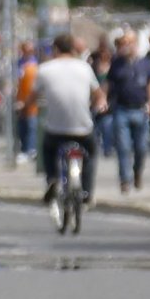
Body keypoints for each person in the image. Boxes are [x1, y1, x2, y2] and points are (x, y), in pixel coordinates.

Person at [36, 33, 106, 203]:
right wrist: (99, 104)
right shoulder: (84, 68)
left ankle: (52, 179)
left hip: (56, 130)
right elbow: (99, 94)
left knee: (47, 148)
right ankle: (87, 192)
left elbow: (32, 96)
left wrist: (24, 107)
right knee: (92, 152)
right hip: (82, 128)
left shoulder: (45, 69)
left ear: (55, 49)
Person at [106, 31, 150, 192]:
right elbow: (108, 83)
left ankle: (137, 172)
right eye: (122, 43)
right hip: (121, 109)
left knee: (141, 147)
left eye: (128, 42)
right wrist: (102, 99)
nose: (125, 46)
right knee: (123, 146)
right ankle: (125, 180)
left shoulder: (145, 63)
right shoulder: (117, 63)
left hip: (140, 109)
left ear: (135, 43)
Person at [88, 37, 115, 156]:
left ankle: (107, 149)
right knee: (94, 126)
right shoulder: (93, 66)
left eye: (106, 52)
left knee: (107, 125)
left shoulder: (114, 66)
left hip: (110, 101)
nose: (104, 54)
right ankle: (94, 148)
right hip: (95, 101)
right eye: (102, 52)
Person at [14, 41, 38, 166]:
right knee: (22, 126)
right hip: (20, 99)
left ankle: (31, 149)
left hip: (32, 102)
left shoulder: (35, 65)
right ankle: (24, 149)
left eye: (30, 50)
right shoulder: (18, 64)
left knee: (31, 126)